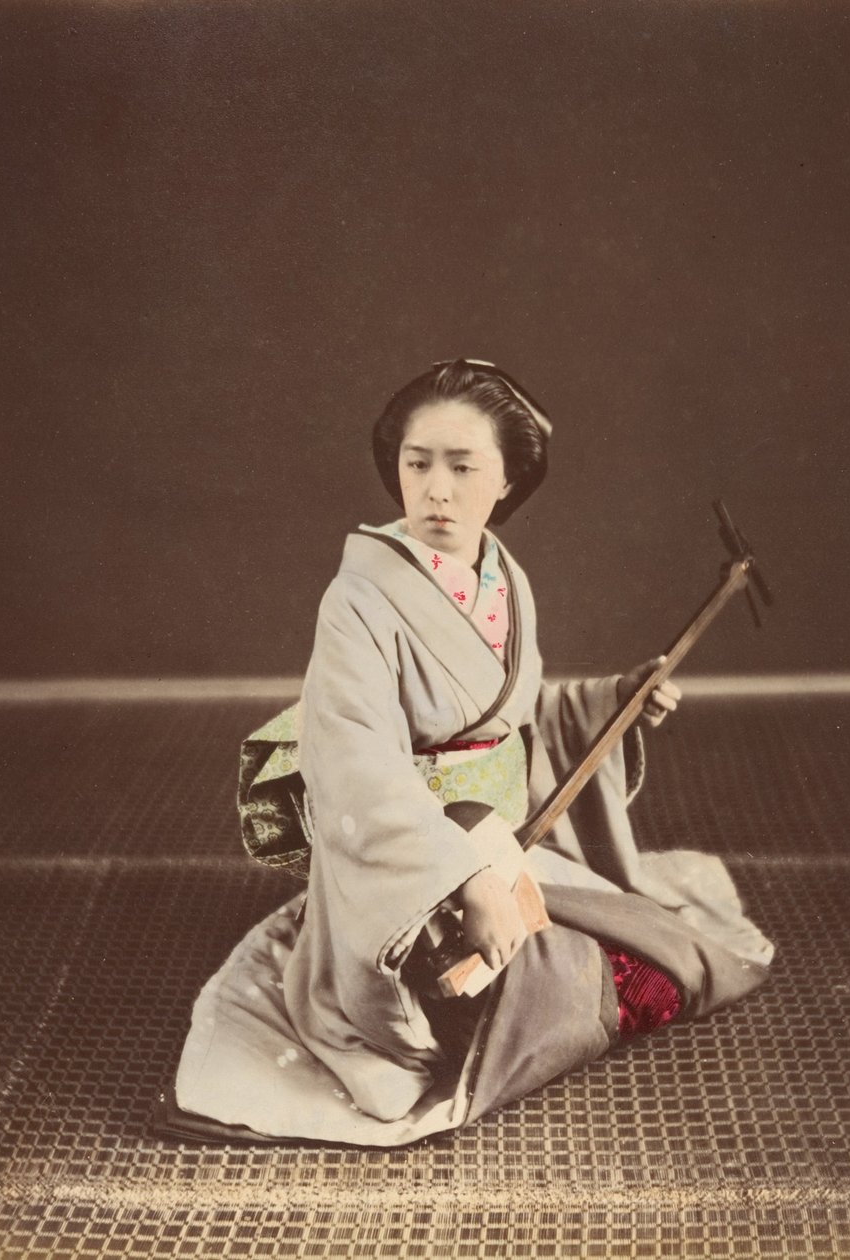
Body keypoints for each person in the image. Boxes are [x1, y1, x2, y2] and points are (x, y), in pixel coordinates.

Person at [162, 359, 773, 1146]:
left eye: (462, 467)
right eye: (417, 464)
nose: (436, 491)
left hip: (499, 839)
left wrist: (611, 700)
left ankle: (528, 955)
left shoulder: (504, 579)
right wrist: (460, 874)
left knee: (666, 965)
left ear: (508, 480)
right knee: (505, 1001)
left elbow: (515, 715)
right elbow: (355, 764)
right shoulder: (357, 598)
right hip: (405, 863)